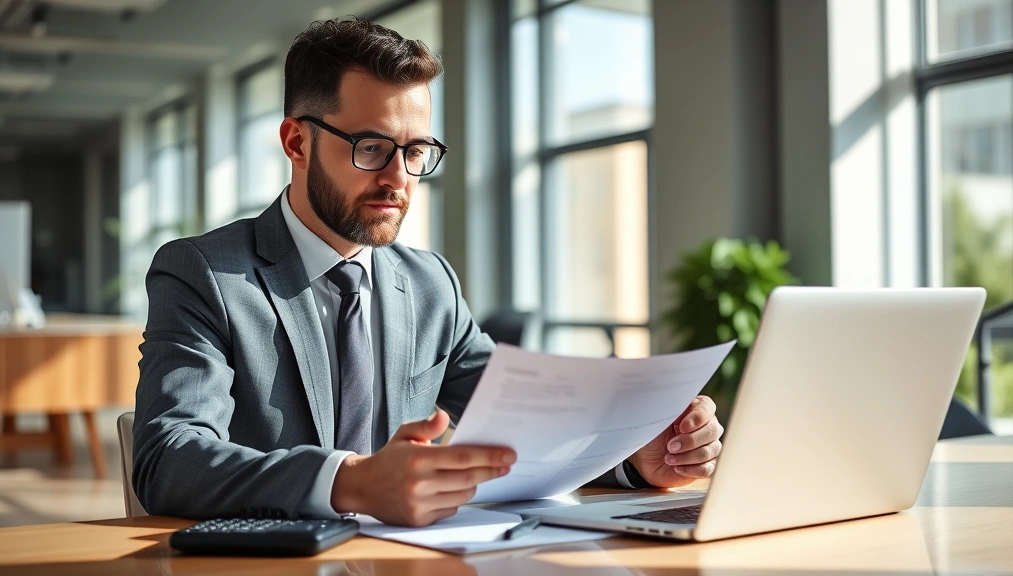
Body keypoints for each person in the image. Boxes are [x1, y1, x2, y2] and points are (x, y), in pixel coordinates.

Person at [133, 17, 724, 527]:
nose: (398, 178)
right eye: (371, 147)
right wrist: (354, 482)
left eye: (416, 151)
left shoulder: (429, 284)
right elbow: (168, 457)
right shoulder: (205, 273)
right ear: (296, 141)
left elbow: (529, 416)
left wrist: (633, 452)